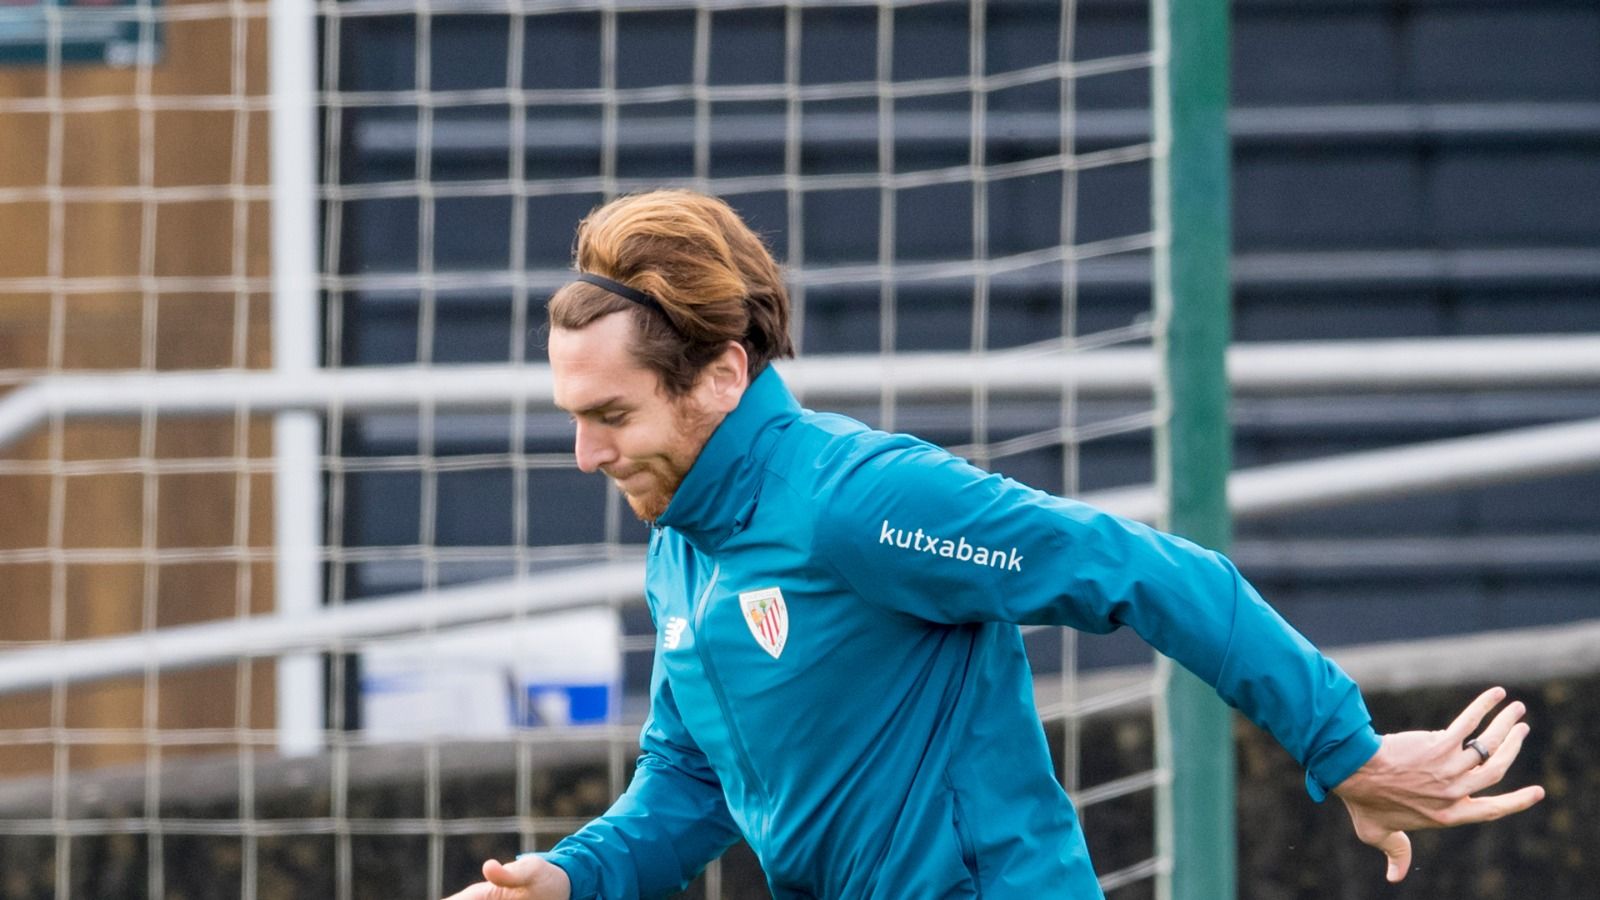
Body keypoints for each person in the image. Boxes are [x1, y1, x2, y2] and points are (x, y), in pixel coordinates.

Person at [444, 189, 1544, 900]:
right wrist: (573, 876)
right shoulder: (684, 541)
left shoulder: (855, 502)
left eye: (612, 417)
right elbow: (692, 779)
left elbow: (1144, 570)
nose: (586, 455)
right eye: (572, 419)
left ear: (722, 375)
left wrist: (1338, 745)